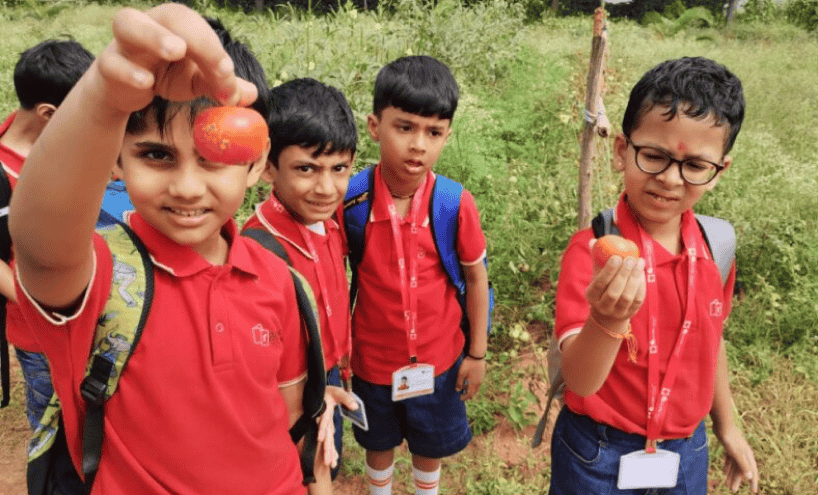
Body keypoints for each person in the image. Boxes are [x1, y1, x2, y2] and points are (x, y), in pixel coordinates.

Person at [9, 4, 310, 494]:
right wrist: (103, 98)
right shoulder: (101, 273)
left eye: (215, 158)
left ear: (256, 165)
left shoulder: (278, 276)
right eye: (156, 155)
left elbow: (287, 408)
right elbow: (40, 243)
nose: (188, 188)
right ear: (116, 162)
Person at [550, 57, 758, 494]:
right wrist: (606, 320)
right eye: (654, 156)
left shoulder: (716, 248)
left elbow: (710, 340)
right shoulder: (592, 251)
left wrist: (728, 428)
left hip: (686, 452)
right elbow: (581, 380)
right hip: (597, 452)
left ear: (720, 170)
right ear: (623, 149)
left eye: (694, 166)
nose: (669, 179)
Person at [345, 55, 489, 495]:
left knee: (431, 443)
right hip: (370, 360)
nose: (418, 145)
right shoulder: (350, 200)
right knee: (379, 441)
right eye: (404, 127)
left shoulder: (452, 203)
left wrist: (477, 353)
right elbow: (334, 280)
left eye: (433, 132)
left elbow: (476, 279)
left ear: (447, 134)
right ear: (374, 125)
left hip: (440, 359)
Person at [241, 77, 359, 491]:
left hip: (329, 376)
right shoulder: (258, 252)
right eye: (307, 169)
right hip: (289, 394)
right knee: (307, 475)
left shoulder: (330, 223)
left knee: (328, 462)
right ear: (268, 165)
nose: (326, 188)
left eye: (339, 169)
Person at [0, 39, 95, 430]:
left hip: (89, 318)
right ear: (48, 112)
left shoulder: (64, 143)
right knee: (53, 425)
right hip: (39, 329)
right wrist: (41, 301)